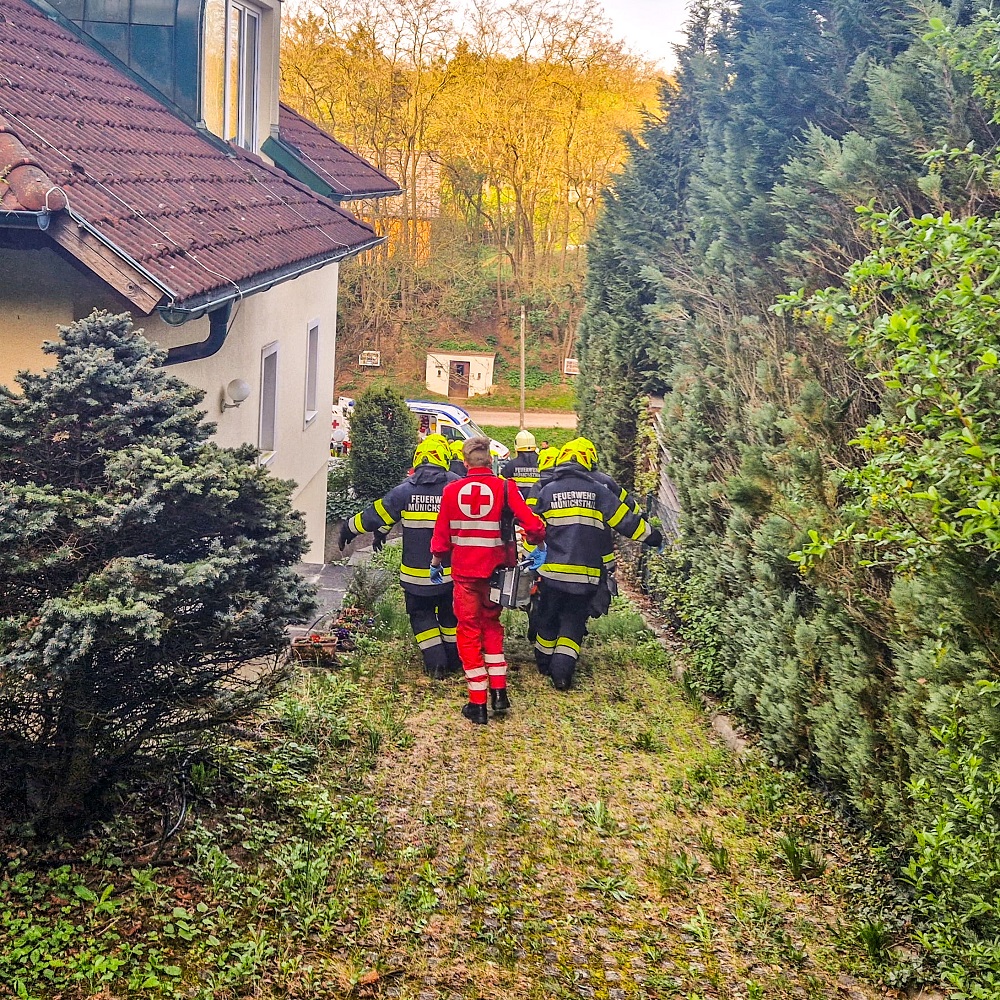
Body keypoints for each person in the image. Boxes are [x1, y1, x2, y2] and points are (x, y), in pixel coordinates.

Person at [430, 436, 546, 724]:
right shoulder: (506, 488)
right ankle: (499, 692)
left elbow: (442, 536)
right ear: (491, 462)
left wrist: (435, 562)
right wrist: (538, 544)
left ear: (466, 463)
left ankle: (478, 703)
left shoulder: (452, 491)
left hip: (465, 574)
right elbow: (531, 523)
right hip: (497, 574)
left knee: (468, 631)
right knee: (492, 625)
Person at [531, 440, 662, 691]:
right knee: (573, 621)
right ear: (589, 462)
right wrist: (653, 536)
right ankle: (561, 674)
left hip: (552, 574)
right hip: (586, 576)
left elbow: (531, 527)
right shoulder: (599, 490)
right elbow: (627, 522)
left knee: (546, 618)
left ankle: (544, 663)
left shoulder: (548, 490)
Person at [339, 437, 461, 678]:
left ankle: (436, 664)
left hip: (416, 579)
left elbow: (376, 515)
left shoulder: (404, 491)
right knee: (450, 616)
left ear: (417, 459)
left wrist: (348, 528)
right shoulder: (458, 487)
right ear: (444, 459)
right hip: (449, 575)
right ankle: (454, 659)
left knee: (421, 616)